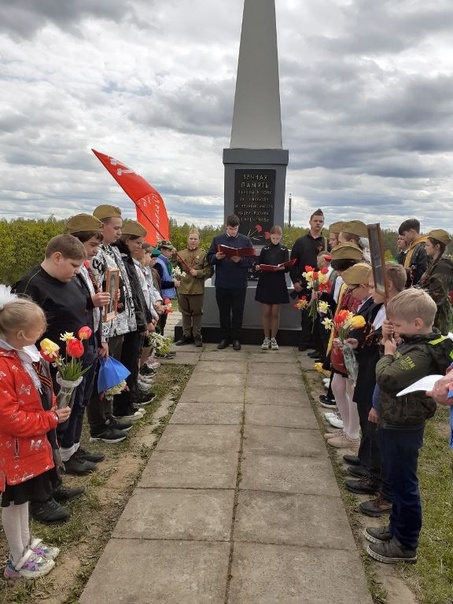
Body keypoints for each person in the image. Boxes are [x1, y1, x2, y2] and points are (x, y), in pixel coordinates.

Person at [364, 289, 453, 564]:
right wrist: (393, 341)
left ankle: (405, 544)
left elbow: (388, 378)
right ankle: (396, 529)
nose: (396, 330)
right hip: (395, 422)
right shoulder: (415, 341)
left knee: (404, 485)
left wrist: (388, 352)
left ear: (417, 323)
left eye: (399, 325)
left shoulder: (423, 352)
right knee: (396, 478)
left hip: (404, 425)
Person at [0, 288, 71, 579]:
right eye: (36, 332)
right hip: (10, 452)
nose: (40, 337)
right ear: (19, 335)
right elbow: (8, 418)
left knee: (24, 499)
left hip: (25, 449)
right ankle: (17, 558)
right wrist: (49, 418)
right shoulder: (3, 367)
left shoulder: (19, 356)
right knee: (13, 504)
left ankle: (27, 545)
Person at [89, 204, 141, 441]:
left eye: (121, 228)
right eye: (116, 227)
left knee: (113, 375)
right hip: (106, 326)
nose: (120, 232)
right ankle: (99, 423)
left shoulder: (110, 251)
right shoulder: (97, 253)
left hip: (119, 323)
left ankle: (108, 416)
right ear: (101, 226)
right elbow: (97, 288)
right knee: (103, 375)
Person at [113, 220, 155, 414]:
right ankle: (123, 406)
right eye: (138, 243)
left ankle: (128, 401)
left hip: (133, 319)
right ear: (127, 241)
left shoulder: (126, 258)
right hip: (121, 322)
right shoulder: (116, 256)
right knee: (124, 363)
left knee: (131, 360)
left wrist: (144, 317)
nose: (140, 247)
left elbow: (137, 292)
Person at [207, 214, 254, 350]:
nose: (233, 231)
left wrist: (240, 260)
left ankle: (236, 339)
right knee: (224, 311)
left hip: (239, 283)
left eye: (235, 229)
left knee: (238, 311)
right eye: (230, 228)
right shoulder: (217, 240)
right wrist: (216, 256)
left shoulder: (245, 240)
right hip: (222, 282)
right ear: (226, 226)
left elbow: (251, 261)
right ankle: (224, 338)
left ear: (238, 227)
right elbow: (209, 259)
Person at [290, 209, 327, 352]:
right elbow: (293, 263)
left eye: (321, 221)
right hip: (304, 285)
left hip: (322, 285)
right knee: (305, 314)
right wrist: (295, 281)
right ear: (310, 222)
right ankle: (304, 341)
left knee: (320, 315)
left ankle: (318, 344)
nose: (318, 223)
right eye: (315, 221)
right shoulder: (300, 242)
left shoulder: (326, 242)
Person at [175, 229, 213, 347]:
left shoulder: (203, 254)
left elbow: (209, 271)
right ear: (187, 239)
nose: (193, 241)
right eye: (191, 238)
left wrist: (198, 272)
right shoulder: (180, 254)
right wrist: (175, 278)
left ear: (199, 241)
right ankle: (186, 335)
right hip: (183, 287)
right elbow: (174, 268)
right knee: (185, 313)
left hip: (197, 288)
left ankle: (197, 335)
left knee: (196, 313)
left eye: (195, 239)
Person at [254, 225, 290, 350]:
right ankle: (266, 338)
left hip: (278, 282)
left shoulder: (284, 250)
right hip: (266, 282)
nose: (275, 240)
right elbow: (259, 264)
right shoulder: (265, 249)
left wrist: (281, 267)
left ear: (281, 237)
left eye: (278, 238)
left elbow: (287, 267)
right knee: (266, 312)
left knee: (275, 313)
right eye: (273, 238)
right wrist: (258, 267)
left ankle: (274, 338)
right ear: (270, 236)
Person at [419, 229, 453, 336]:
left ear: (437, 246)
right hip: (429, 314)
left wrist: (415, 295)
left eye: (428, 245)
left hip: (438, 319)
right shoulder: (434, 263)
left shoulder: (443, 267)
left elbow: (437, 295)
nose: (425, 248)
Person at [155, 240, 180, 336]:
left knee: (164, 321)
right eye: (169, 250)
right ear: (162, 250)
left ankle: (162, 345)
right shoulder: (159, 263)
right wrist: (172, 284)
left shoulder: (166, 262)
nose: (171, 252)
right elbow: (158, 283)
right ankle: (159, 347)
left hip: (166, 296)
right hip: (161, 296)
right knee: (160, 322)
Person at [398, 218, 427, 286]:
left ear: (411, 232)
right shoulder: (412, 247)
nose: (404, 238)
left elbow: (422, 273)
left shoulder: (422, 248)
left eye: (404, 234)